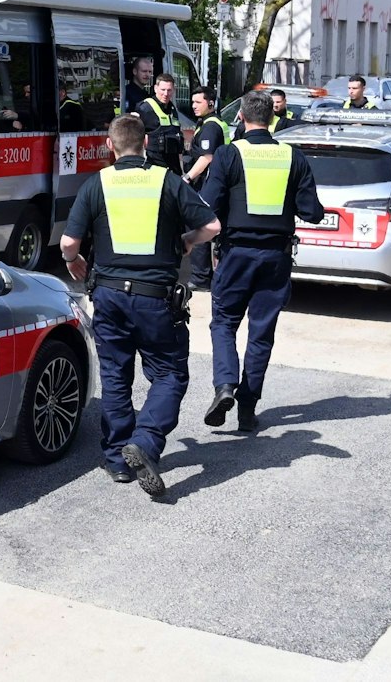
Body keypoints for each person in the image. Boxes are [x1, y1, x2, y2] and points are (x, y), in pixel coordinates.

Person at [62, 114, 220, 498]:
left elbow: (69, 242)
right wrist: (185, 241)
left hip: (110, 296)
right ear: (146, 143)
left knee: (116, 376)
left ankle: (118, 460)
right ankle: (146, 442)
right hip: (155, 299)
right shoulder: (166, 180)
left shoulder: (96, 183)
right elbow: (213, 226)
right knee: (168, 375)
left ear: (109, 146)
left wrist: (73, 262)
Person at [199, 90, 324, 433]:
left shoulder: (227, 154)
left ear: (240, 116)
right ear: (272, 118)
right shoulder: (292, 157)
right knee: (261, 333)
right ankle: (247, 411)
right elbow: (312, 212)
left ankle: (225, 385)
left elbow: (208, 206)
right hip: (276, 257)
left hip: (236, 254)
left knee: (223, 323)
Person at [181, 85, 229, 290]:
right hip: (216, 183)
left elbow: (207, 157)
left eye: (198, 102)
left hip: (208, 183)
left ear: (210, 103)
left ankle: (200, 278)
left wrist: (187, 178)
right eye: (192, 102)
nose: (194, 106)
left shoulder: (210, 126)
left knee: (199, 224)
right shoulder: (211, 122)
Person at [138, 74, 187, 172]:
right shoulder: (145, 108)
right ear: (156, 88)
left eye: (169, 90)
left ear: (174, 90)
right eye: (163, 90)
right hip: (153, 165)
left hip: (172, 166)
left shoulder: (172, 109)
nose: (166, 93)